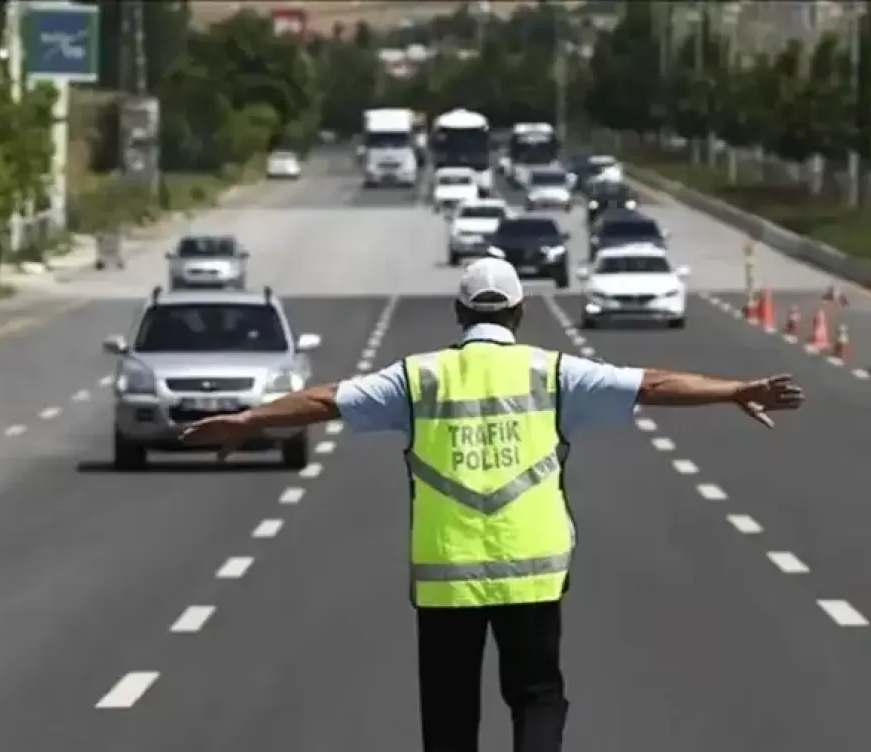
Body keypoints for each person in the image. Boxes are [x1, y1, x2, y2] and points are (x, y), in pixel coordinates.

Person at [179, 258, 805, 752]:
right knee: (537, 698)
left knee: (450, 716)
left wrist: (248, 420)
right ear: (521, 312)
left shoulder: (417, 377)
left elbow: (325, 399)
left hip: (446, 577)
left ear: (457, 311)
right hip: (532, 569)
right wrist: (734, 390)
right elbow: (654, 384)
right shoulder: (553, 372)